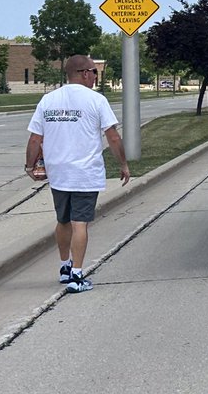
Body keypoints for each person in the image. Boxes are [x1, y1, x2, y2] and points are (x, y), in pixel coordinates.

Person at [24, 54, 130, 293]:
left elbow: (35, 138)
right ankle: (77, 276)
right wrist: (123, 164)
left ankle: (64, 267)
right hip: (85, 173)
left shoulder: (48, 100)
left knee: (63, 221)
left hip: (58, 173)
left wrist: (30, 166)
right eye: (94, 72)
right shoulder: (97, 100)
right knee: (79, 223)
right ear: (84, 73)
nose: (95, 77)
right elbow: (113, 137)